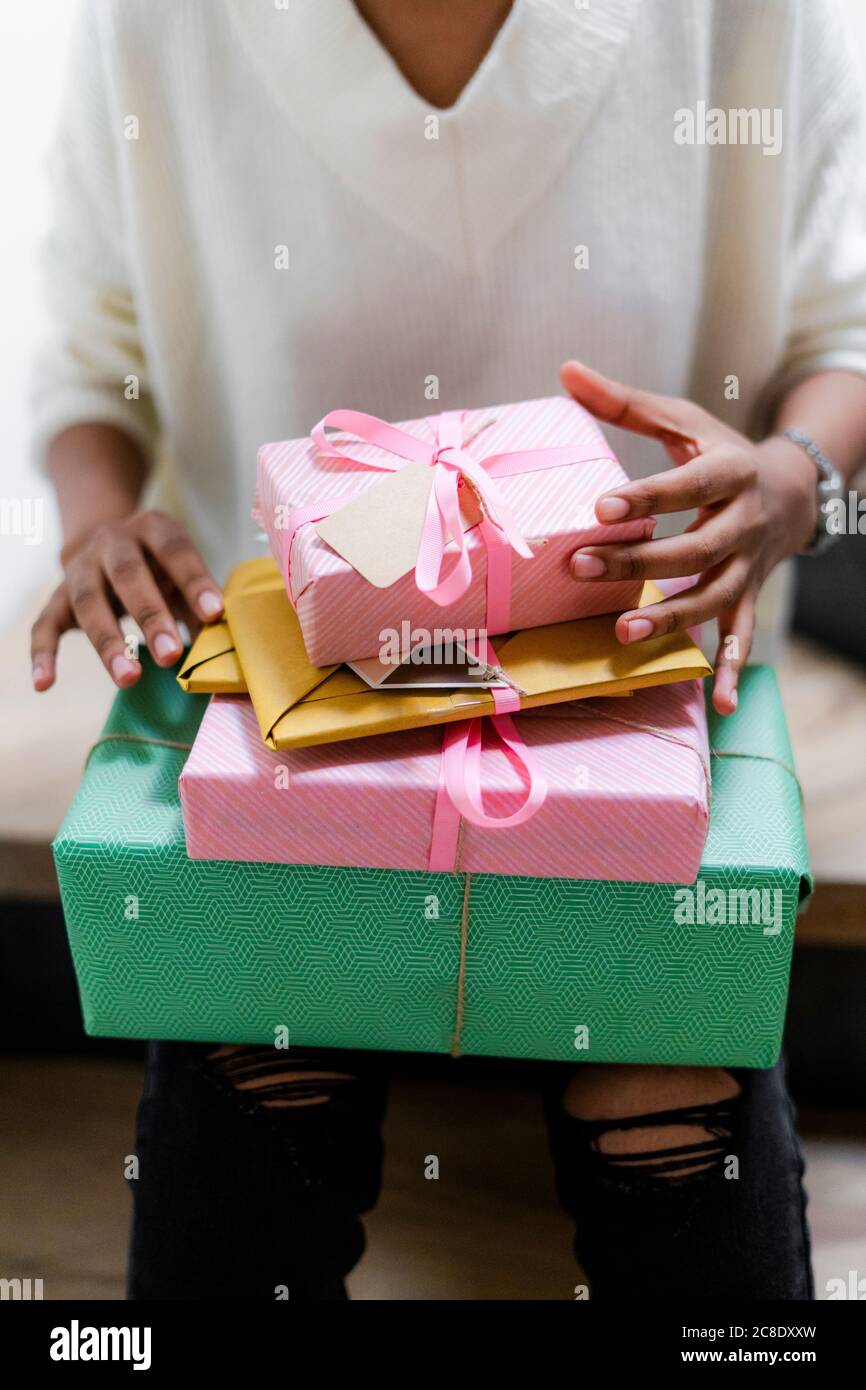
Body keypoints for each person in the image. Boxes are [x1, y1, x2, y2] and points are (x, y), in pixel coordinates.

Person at [31, 0, 866, 1300]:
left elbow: (841, 334)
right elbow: (89, 357)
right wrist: (94, 526)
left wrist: (794, 475)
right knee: (249, 1098)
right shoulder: (157, 22)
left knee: (670, 1107)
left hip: (638, 692)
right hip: (293, 732)